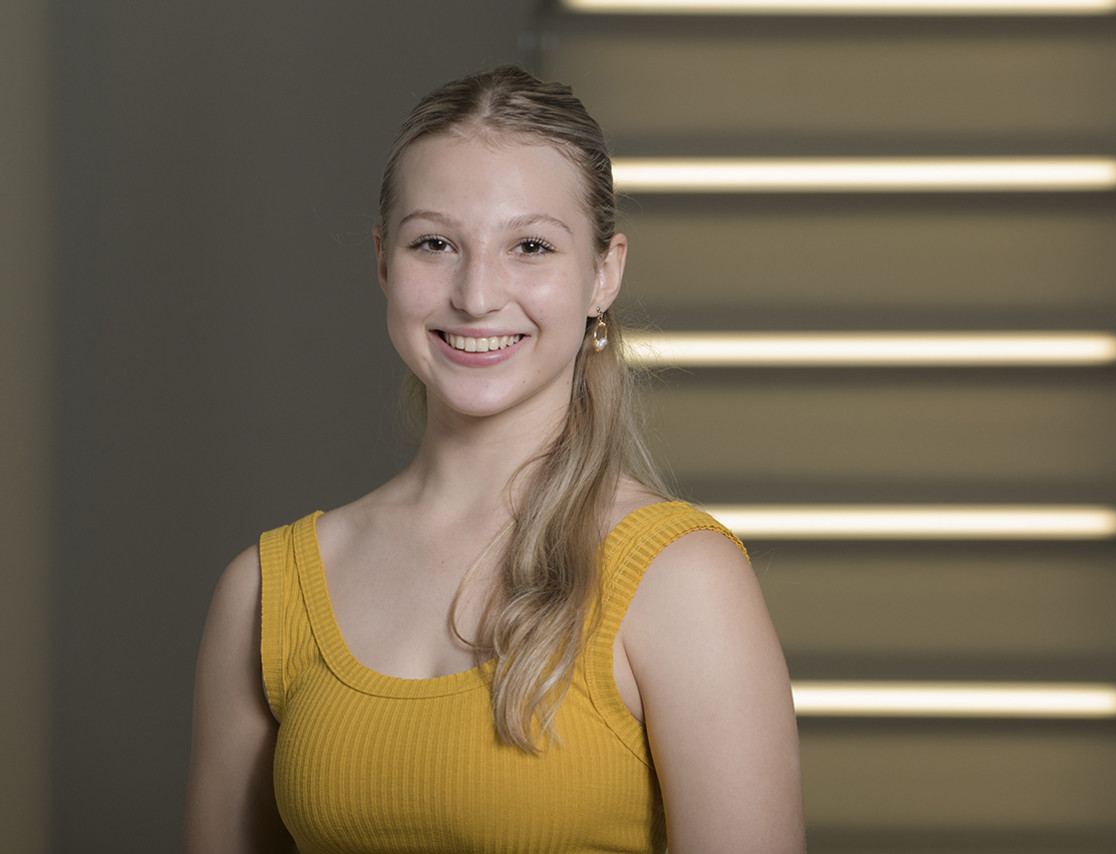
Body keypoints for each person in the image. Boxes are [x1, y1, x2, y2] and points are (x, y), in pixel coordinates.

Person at [182, 65, 804, 854]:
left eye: (530, 246)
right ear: (383, 262)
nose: (476, 295)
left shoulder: (682, 578)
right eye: (435, 244)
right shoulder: (266, 591)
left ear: (604, 274)